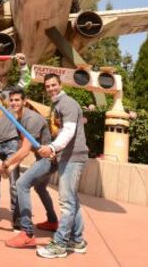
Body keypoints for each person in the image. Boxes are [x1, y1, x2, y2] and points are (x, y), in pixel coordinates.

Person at [0, 86, 58, 248]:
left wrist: (6, 163)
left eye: (17, 100)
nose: (14, 103)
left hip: (48, 160)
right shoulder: (18, 119)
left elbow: (24, 150)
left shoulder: (32, 119)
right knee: (40, 188)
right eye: (12, 100)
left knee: (21, 184)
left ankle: (27, 233)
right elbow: (21, 148)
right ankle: (52, 221)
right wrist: (9, 169)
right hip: (42, 159)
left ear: (24, 101)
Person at [36, 73, 88, 258]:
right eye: (48, 86)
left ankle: (60, 244)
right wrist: (55, 152)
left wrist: (51, 147)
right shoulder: (57, 104)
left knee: (66, 202)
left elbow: (68, 131)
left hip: (74, 157)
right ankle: (77, 240)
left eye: (53, 85)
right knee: (72, 201)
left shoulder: (67, 103)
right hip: (67, 156)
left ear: (60, 84)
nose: (51, 88)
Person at [0, 53, 30, 230]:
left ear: (2, 83)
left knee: (14, 182)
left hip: (11, 142)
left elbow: (25, 80)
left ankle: (17, 217)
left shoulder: (9, 95)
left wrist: (23, 65)